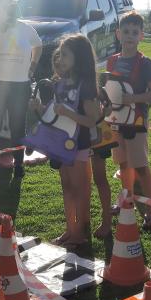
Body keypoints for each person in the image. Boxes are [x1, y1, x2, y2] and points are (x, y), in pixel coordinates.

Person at [31, 34, 101, 248]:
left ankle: (79, 233)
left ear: (79, 57)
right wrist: (40, 109)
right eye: (59, 53)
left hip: (78, 145)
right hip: (60, 143)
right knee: (67, 187)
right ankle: (70, 230)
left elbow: (93, 119)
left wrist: (69, 114)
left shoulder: (86, 86)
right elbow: (55, 113)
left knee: (79, 188)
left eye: (66, 54)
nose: (60, 58)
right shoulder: (59, 83)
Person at [0, 0, 42, 178]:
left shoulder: (25, 28)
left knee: (17, 126)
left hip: (18, 85)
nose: (3, 3)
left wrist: (32, 66)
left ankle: (19, 166)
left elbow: (38, 45)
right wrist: (4, 27)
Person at [107, 11, 151, 229]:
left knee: (141, 167)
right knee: (123, 163)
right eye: (126, 31)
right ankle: (126, 199)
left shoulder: (145, 63)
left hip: (137, 122)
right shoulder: (112, 61)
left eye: (134, 32)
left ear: (141, 36)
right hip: (115, 121)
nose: (130, 36)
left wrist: (134, 98)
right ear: (118, 34)